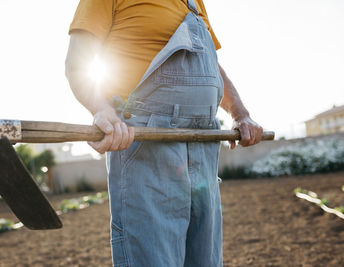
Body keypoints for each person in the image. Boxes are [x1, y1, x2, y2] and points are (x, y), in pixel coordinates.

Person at [65, 1, 263, 266]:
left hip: (202, 143)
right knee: (152, 257)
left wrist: (241, 114)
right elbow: (78, 60)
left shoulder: (194, 2)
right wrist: (102, 110)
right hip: (145, 140)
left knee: (205, 260)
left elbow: (210, 66)